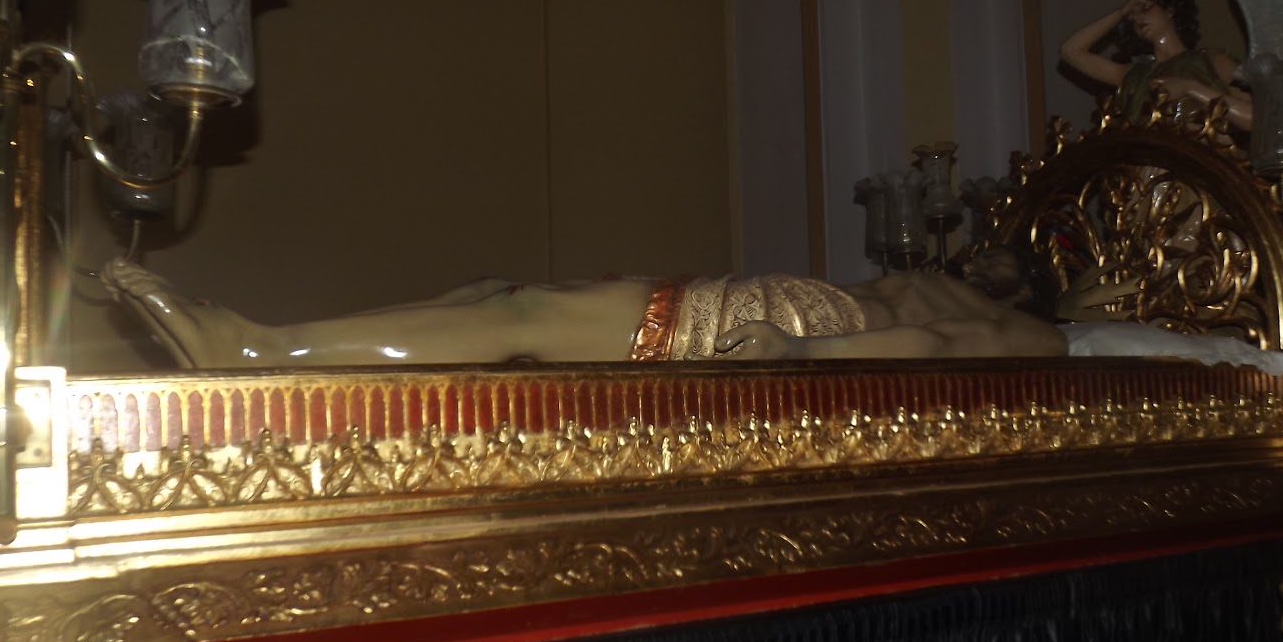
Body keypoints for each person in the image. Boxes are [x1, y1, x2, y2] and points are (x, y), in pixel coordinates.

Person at [100, 254, 1068, 369]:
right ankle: (269, 339)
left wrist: (800, 357)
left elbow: (939, 344)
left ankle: (259, 351)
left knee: (520, 316)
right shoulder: (929, 272)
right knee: (491, 297)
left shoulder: (1028, 329)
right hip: (732, 303)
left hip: (729, 331)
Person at [1059, 0, 1253, 128]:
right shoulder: (1133, 74)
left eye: (1145, 8)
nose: (1138, 18)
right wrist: (1121, 12)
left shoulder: (1213, 62)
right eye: (1132, 17)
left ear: (1170, 11)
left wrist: (1192, 88)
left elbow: (1254, 118)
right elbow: (1071, 51)